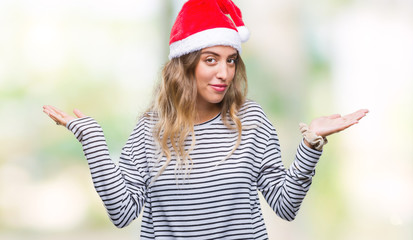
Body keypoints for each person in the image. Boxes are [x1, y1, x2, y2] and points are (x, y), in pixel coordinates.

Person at [43, 0, 368, 239]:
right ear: (185, 65)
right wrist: (93, 141)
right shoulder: (150, 130)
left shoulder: (251, 120)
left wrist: (311, 144)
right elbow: (122, 213)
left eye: (230, 60)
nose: (224, 73)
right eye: (210, 60)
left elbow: (284, 205)